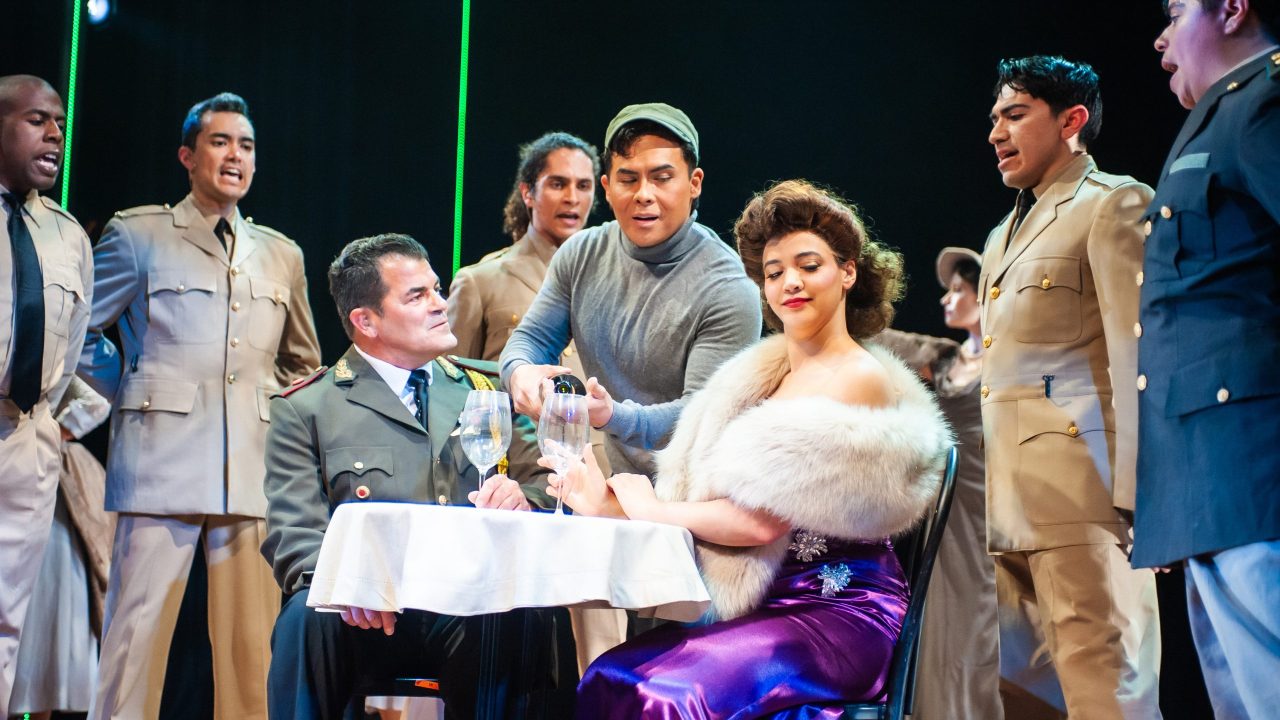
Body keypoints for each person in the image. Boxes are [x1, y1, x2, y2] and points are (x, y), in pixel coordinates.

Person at [556, 180, 952, 717]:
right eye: (773, 272)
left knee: (665, 695)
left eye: (809, 265)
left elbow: (759, 524)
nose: (790, 282)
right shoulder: (764, 377)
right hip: (760, 602)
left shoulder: (856, 377)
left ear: (848, 272)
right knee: (608, 676)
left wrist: (644, 508)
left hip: (839, 613)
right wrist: (610, 504)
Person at [78, 92, 322, 720]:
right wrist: (129, 383)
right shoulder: (139, 234)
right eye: (221, 142)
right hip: (161, 464)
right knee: (136, 636)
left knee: (252, 650)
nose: (235, 156)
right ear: (188, 155)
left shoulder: (280, 252)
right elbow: (79, 330)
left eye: (246, 145)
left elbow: (302, 364)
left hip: (252, 467)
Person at [261, 233, 558, 719]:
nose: (441, 305)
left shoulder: (485, 388)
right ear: (366, 321)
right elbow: (295, 536)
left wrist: (523, 499)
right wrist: (347, 588)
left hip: (469, 604)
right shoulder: (308, 408)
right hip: (367, 612)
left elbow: (548, 483)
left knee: (525, 612)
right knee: (306, 617)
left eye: (436, 289)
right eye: (417, 296)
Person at [979, 55, 1161, 719]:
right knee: (1024, 706)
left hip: (1086, 508)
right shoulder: (1001, 236)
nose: (996, 132)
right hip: (1008, 513)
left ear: (1071, 121)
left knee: (1109, 701)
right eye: (995, 117)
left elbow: (1135, 353)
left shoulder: (1113, 203)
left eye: (1015, 114)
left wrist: (1147, 498)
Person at [1136, 3, 1280, 717]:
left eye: (1178, 8)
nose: (1162, 36)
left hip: (1256, 472)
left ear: (1232, 8)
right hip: (1208, 479)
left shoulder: (1265, 103)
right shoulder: (1224, 113)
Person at [499, 102, 761, 477]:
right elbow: (529, 340)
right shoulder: (581, 254)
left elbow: (701, 416)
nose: (643, 194)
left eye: (661, 177)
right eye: (628, 179)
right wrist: (520, 374)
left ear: (694, 183)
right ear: (607, 187)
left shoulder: (728, 288)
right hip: (614, 489)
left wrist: (611, 415)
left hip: (697, 499)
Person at [447, 131, 626, 672]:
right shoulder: (483, 280)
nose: (572, 198)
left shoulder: (617, 275)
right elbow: (449, 387)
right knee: (516, 647)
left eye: (581, 185)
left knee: (602, 633)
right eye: (556, 184)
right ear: (528, 193)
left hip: (603, 475)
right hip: (519, 478)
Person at [873, 246, 1006, 720]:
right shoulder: (948, 358)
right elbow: (883, 338)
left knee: (992, 611)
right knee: (947, 610)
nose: (947, 300)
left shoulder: (1010, 357)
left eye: (958, 290)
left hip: (994, 499)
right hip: (947, 505)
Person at [0, 73, 93, 716]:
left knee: (7, 617)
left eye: (59, 122)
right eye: (37, 120)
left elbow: (73, 347)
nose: (55, 134)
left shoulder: (67, 236)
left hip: (26, 435)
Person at [8, 377, 114, 720]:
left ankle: (29, 711)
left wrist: (50, 428)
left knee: (41, 631)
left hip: (44, 479)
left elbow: (97, 396)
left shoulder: (55, 345)